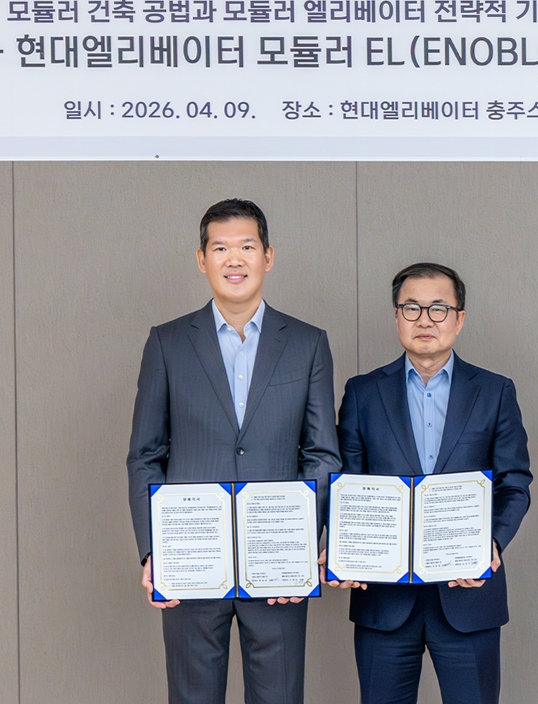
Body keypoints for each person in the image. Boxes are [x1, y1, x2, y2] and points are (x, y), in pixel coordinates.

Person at [126, 198, 341, 704]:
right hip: (191, 561)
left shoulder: (308, 343)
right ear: (202, 260)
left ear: (268, 255)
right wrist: (155, 549)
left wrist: (298, 544)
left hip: (277, 567)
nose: (234, 259)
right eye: (220, 248)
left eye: (246, 246)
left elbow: (322, 455)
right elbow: (145, 455)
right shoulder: (167, 343)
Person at [326, 262, 532, 704]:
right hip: (383, 601)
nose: (425, 320)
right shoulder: (363, 393)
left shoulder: (494, 391)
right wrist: (342, 547)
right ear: (396, 317)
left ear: (460, 318)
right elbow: (347, 484)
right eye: (412, 307)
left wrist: (492, 543)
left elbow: (514, 483)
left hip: (467, 597)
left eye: (439, 308)